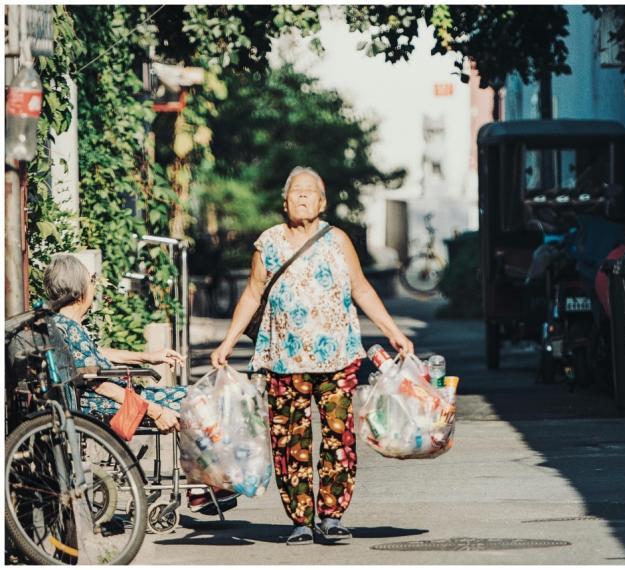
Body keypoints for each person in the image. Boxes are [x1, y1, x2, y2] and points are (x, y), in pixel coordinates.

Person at [211, 166, 414, 544]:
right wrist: (228, 342)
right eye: (295, 192)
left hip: (337, 358)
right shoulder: (268, 243)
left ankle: (332, 516)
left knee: (340, 438)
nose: (302, 197)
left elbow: (362, 288)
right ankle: (301, 519)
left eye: (310, 192)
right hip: (283, 360)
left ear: (322, 202)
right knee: (290, 440)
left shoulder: (337, 240)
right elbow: (253, 294)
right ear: (284, 201)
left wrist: (394, 332)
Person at [43, 253, 238, 514]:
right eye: (91, 280)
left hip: (106, 397)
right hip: (104, 402)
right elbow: (98, 383)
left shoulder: (62, 324)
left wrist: (148, 357)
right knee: (197, 399)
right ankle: (203, 487)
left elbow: (96, 355)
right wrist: (155, 411)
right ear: (78, 289)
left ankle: (204, 484)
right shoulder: (69, 327)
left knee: (195, 395)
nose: (93, 286)